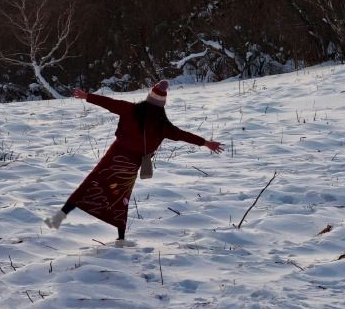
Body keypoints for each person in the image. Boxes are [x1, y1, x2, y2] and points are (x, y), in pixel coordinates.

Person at [45, 80, 223, 243]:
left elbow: (108, 103)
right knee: (121, 197)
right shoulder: (163, 125)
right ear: (162, 105)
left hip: (114, 157)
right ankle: (120, 238)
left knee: (90, 184)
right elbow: (183, 135)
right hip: (131, 165)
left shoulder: (130, 109)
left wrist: (86, 96)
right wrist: (206, 143)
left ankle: (57, 219)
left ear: (148, 98)